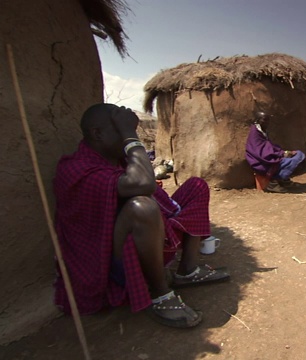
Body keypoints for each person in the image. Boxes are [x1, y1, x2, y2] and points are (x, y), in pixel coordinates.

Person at [53, 103, 229, 328]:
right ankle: (160, 295)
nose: (129, 138)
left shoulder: (118, 162)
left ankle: (188, 270)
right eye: (122, 130)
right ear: (98, 134)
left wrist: (127, 135)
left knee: (197, 186)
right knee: (142, 207)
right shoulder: (77, 169)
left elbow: (145, 181)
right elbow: (144, 184)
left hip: (148, 240)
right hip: (112, 259)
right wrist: (130, 135)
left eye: (131, 131)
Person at [245, 111, 306, 193]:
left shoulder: (262, 132)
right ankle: (273, 183)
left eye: (268, 120)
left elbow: (268, 147)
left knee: (299, 154)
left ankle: (284, 180)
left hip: (269, 157)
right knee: (290, 161)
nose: (267, 122)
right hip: (261, 162)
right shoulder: (255, 134)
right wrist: (281, 154)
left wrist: (284, 152)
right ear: (257, 120)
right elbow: (260, 153)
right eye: (264, 120)